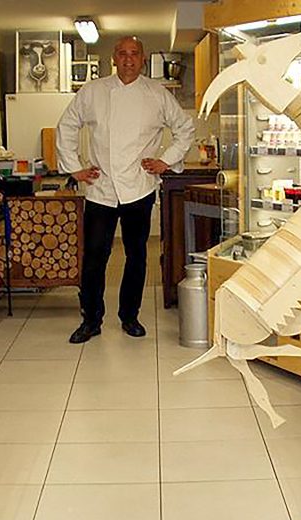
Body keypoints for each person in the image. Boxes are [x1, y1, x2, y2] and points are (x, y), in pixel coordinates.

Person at [57, 36, 195, 344]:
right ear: (114, 59)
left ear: (143, 59)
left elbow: (184, 128)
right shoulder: (92, 92)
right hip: (100, 187)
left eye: (134, 54)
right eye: (122, 53)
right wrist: (73, 167)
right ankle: (91, 320)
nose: (128, 59)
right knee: (94, 258)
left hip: (139, 187)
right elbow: (66, 126)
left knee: (136, 256)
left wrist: (166, 161)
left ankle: (129, 316)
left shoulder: (157, 94)